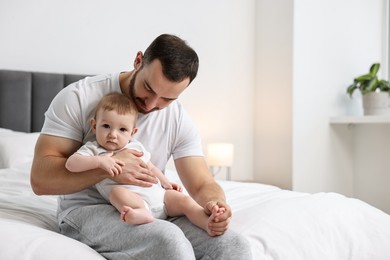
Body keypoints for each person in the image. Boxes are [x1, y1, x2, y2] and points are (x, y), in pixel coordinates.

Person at [31, 34, 252, 259]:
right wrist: (107, 169)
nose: (152, 104)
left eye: (167, 99)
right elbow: (40, 180)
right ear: (138, 61)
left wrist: (216, 205)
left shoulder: (177, 119)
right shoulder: (78, 98)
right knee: (169, 242)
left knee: (234, 246)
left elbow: (202, 183)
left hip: (153, 206)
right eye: (148, 88)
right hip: (87, 210)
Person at [65, 92, 225, 234]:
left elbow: (151, 167)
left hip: (160, 199)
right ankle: (141, 212)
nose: (113, 135)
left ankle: (207, 223)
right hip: (135, 202)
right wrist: (100, 162)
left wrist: (166, 182)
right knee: (116, 194)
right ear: (94, 126)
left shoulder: (135, 146)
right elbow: (71, 164)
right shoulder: (93, 150)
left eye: (122, 130)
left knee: (185, 201)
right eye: (106, 126)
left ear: (132, 133)